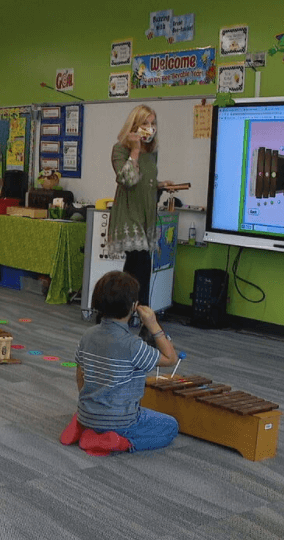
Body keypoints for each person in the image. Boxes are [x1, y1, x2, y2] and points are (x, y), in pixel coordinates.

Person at [60, 271, 179, 456]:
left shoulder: (87, 335)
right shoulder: (133, 345)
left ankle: (83, 426)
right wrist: (153, 324)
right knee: (170, 426)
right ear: (133, 306)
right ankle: (120, 442)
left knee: (102, 412)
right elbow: (171, 358)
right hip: (121, 422)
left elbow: (79, 375)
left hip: (87, 412)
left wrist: (91, 406)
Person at [106, 105, 173, 306]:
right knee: (142, 264)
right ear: (134, 125)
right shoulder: (120, 149)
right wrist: (134, 150)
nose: (149, 128)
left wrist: (161, 185)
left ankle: (116, 307)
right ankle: (144, 314)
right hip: (128, 214)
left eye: (152, 124)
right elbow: (127, 179)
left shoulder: (152, 152)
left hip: (145, 214)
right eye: (145, 123)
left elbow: (145, 180)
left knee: (133, 268)